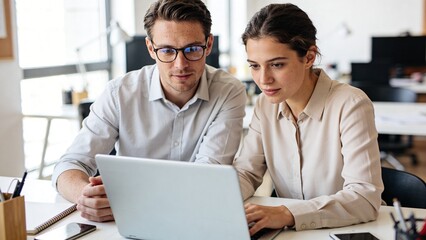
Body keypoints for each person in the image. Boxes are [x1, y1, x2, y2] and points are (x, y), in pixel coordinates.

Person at [52, 0, 246, 222]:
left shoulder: (229, 91)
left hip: (193, 217)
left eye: (192, 49)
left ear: (208, 45)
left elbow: (206, 178)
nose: (180, 64)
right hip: (125, 220)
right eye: (167, 50)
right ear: (151, 48)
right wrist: (85, 196)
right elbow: (70, 165)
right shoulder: (119, 93)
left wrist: (132, 199)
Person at [233, 3, 384, 236]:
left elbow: (364, 198)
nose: (263, 80)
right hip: (293, 233)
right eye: (254, 66)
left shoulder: (351, 104)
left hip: (348, 231)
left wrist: (289, 214)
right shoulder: (265, 105)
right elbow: (247, 172)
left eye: (276, 64)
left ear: (309, 57)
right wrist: (220, 201)